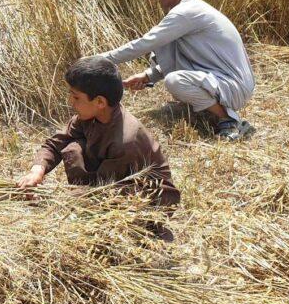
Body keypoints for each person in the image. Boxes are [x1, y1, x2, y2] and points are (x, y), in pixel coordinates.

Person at [16, 57, 180, 240]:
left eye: (76, 97)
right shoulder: (90, 116)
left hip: (147, 197)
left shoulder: (125, 141)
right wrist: (37, 170)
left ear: (100, 102)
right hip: (111, 182)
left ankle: (149, 231)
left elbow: (103, 191)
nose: (71, 101)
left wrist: (57, 200)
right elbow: (56, 142)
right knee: (73, 147)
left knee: (110, 226)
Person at [100, 0, 255, 140]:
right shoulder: (190, 9)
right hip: (228, 82)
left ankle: (228, 120)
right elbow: (179, 56)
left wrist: (98, 60)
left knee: (174, 81)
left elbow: (143, 44)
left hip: (234, 86)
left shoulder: (186, 12)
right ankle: (213, 109)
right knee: (168, 48)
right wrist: (148, 76)